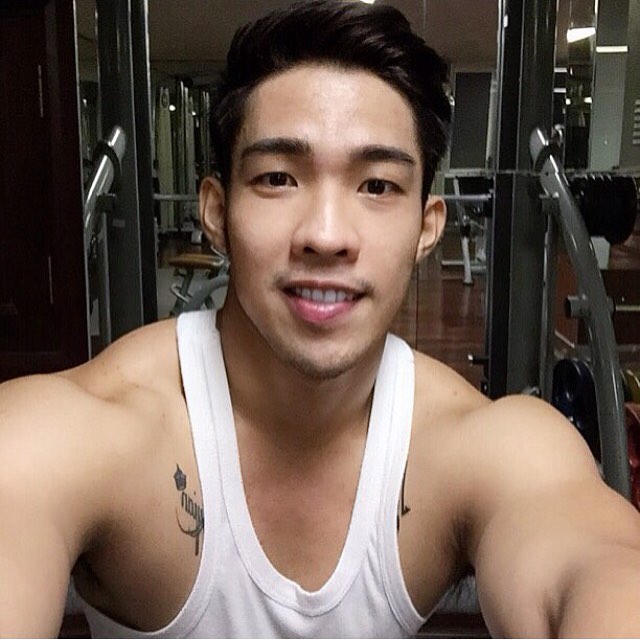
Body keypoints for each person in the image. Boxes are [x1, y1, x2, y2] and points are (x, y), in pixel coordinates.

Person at [2, 0, 640, 637]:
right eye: (278, 178)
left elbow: (596, 564)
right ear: (217, 213)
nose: (327, 236)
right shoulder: (79, 432)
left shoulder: (484, 445)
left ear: (426, 228)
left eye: (377, 186)